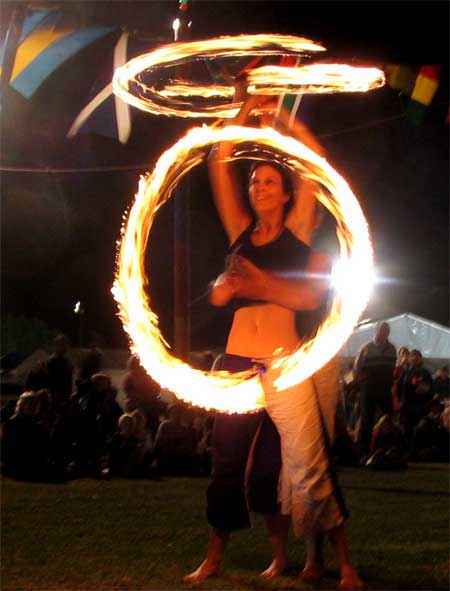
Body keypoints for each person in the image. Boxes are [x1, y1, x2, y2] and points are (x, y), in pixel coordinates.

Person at [185, 93, 362, 589]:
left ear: (287, 194)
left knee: (298, 466)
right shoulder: (239, 233)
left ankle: (328, 560)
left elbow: (316, 162)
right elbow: (219, 159)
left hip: (284, 363)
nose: (259, 186)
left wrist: (278, 118)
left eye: (269, 181)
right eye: (255, 181)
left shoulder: (300, 230)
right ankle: (216, 555)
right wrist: (244, 111)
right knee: (226, 463)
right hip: (238, 362)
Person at [353, 322, 397, 454]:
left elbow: (392, 368)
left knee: (386, 418)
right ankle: (366, 450)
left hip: (384, 388)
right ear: (376, 331)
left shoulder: (392, 349)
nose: (383, 333)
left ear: (388, 333)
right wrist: (361, 384)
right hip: (369, 388)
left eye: (385, 331)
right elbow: (357, 368)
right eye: (381, 331)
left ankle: (386, 447)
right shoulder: (366, 348)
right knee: (367, 418)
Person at [398, 349, 433, 447]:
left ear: (421, 359)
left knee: (420, 429)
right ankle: (408, 450)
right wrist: (401, 403)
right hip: (406, 407)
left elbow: (430, 390)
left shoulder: (425, 373)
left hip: (421, 407)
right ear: (409, 358)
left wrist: (422, 387)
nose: (415, 358)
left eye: (417, 356)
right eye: (413, 355)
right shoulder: (405, 373)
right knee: (406, 430)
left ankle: (418, 450)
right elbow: (399, 389)